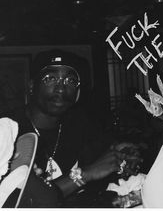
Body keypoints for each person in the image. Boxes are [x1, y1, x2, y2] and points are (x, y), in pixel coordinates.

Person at [6, 49, 142, 208]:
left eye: (70, 81)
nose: (61, 88)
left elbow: (107, 157)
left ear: (77, 93)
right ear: (31, 86)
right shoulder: (9, 131)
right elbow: (20, 202)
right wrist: (84, 174)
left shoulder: (80, 124)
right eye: (50, 79)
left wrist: (122, 156)